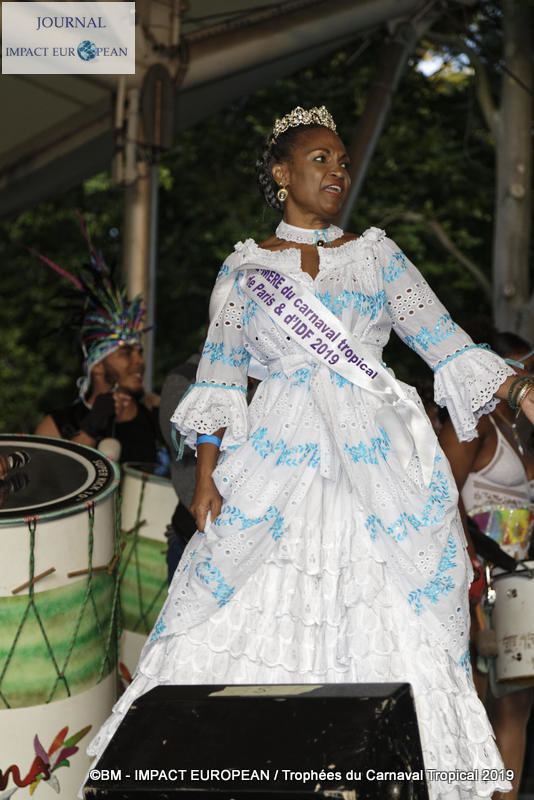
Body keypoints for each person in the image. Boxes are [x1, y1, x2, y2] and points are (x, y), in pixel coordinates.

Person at [86, 105, 534, 799]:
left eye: (342, 161)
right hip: (278, 450)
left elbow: (444, 340)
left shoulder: (377, 255)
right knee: (236, 594)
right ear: (281, 171)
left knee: (388, 598)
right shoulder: (244, 270)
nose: (336, 171)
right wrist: (205, 476)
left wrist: (519, 388)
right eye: (320, 159)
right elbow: (220, 379)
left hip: (372, 456)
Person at [439, 329, 534, 800]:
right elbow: (442, 493)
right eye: (519, 369)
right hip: (478, 582)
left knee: (517, 704)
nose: (526, 379)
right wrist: (470, 571)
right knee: (476, 702)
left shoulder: (518, 427)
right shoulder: (469, 424)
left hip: (519, 581)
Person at [30, 228, 163, 464]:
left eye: (139, 352)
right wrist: (91, 430)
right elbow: (48, 486)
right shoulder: (58, 424)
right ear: (98, 366)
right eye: (125, 353)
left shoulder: (157, 418)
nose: (139, 362)